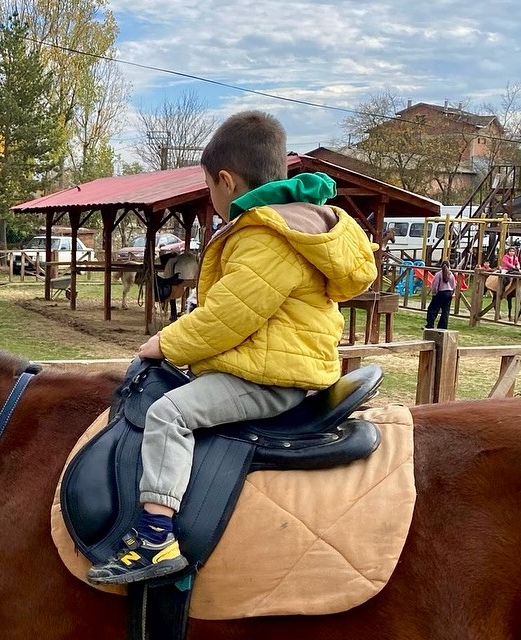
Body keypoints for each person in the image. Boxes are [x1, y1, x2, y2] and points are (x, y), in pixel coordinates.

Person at [86, 111, 377, 586]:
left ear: (225, 180)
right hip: (278, 366)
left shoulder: (268, 235)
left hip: (267, 378)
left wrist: (165, 343)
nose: (212, 201)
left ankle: (155, 538)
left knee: (169, 413)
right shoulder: (299, 226)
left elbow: (227, 318)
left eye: (210, 191)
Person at [426, 260, 456, 329]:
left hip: (440, 293)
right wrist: (452, 293)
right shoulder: (451, 275)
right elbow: (454, 286)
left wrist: (434, 293)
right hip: (449, 293)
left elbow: (435, 285)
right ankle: (443, 326)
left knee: (432, 309)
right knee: (445, 311)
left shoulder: (438, 274)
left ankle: (430, 324)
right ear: (449, 266)